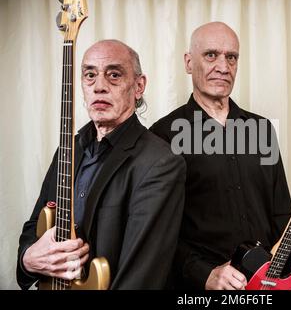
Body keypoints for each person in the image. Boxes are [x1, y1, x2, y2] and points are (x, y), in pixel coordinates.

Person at [150, 22, 291, 290]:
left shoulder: (262, 130)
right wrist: (205, 274)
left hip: (267, 285)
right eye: (211, 55)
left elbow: (282, 216)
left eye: (231, 57)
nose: (223, 67)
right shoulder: (163, 135)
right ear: (189, 62)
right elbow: (158, 233)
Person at [17, 40, 186, 289]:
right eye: (90, 75)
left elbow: (140, 278)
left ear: (139, 86)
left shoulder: (160, 163)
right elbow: (34, 227)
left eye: (114, 75)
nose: (99, 87)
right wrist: (28, 260)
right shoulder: (68, 149)